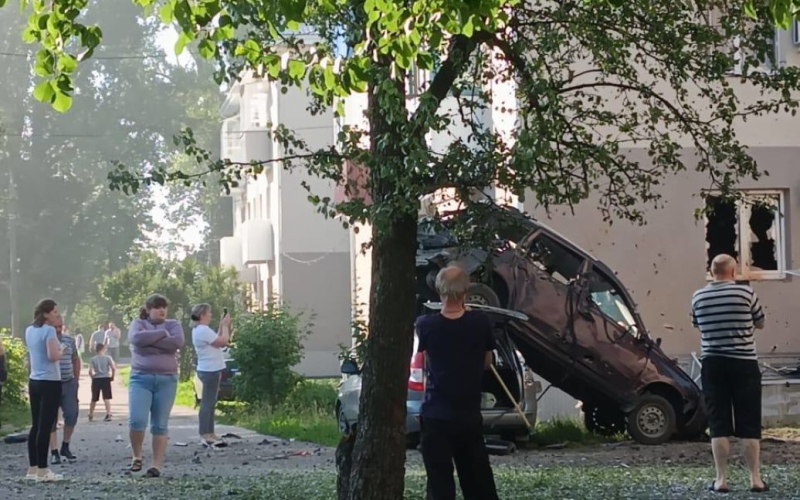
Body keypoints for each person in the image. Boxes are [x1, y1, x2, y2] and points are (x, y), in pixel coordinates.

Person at [415, 266, 498, 500]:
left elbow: (428, 362)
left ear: (439, 291)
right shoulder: (480, 322)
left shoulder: (425, 324)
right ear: (465, 292)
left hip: (435, 414)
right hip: (468, 415)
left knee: (439, 485)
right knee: (478, 484)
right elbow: (487, 361)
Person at [691, 254, 768, 494]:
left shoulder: (698, 297)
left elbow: (697, 324)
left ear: (711, 271)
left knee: (718, 422)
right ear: (733, 272)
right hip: (744, 363)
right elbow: (761, 322)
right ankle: (755, 479)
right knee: (749, 421)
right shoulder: (745, 293)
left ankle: (721, 479)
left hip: (713, 364)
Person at [127, 293, 184, 478]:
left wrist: (149, 343)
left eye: (164, 307)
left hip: (167, 380)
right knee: (137, 420)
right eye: (157, 307)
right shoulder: (138, 324)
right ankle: (137, 456)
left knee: (160, 424)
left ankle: (156, 466)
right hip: (141, 378)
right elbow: (136, 339)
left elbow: (177, 342)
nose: (162, 310)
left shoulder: (173, 325)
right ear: (148, 310)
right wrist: (161, 335)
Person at [24, 299, 64, 482]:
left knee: (35, 424)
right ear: (46, 314)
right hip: (50, 381)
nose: (57, 315)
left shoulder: (29, 330)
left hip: (35, 380)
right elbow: (52, 356)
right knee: (46, 425)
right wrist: (61, 350)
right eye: (55, 312)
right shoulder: (49, 331)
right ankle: (43, 469)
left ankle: (32, 468)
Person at [190, 303, 231, 448]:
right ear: (202, 315)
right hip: (210, 370)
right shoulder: (202, 330)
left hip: (210, 369)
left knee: (210, 402)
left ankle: (210, 432)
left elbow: (216, 339)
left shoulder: (201, 330)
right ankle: (205, 433)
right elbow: (223, 341)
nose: (211, 315)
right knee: (207, 403)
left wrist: (221, 325)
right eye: (209, 312)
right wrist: (226, 326)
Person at [48, 315, 81, 465]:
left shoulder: (69, 340)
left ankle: (65, 445)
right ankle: (54, 451)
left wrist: (76, 378)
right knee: (51, 418)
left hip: (68, 382)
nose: (58, 330)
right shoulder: (47, 340)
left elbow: (76, 358)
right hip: (51, 383)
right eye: (54, 327)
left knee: (72, 414)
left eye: (60, 327)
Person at [88, 343, 116, 422]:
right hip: (106, 378)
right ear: (103, 349)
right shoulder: (107, 358)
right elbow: (113, 368)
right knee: (106, 397)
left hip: (96, 379)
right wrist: (112, 376)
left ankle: (91, 414)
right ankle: (108, 413)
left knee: (94, 398)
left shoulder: (93, 359)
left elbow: (90, 371)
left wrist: (92, 377)